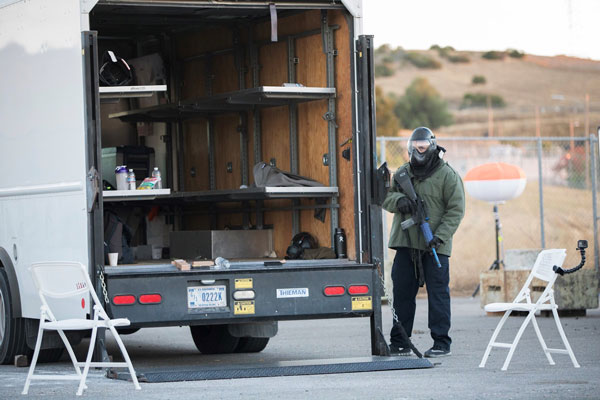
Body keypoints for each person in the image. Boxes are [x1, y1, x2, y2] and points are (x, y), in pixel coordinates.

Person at [382, 127, 465, 357]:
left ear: (432, 146)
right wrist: (400, 201)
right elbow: (386, 197)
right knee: (402, 293)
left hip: (435, 245)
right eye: (416, 146)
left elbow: (456, 210)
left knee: (438, 294)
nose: (419, 150)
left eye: (423, 146)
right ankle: (400, 342)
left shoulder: (448, 175)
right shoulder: (402, 173)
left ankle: (441, 343)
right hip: (406, 242)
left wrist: (439, 236)